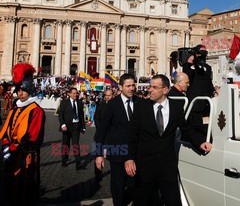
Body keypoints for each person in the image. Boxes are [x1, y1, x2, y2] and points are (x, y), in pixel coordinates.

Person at [124, 75, 212, 205]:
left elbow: (186, 130)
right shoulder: (141, 107)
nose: (150, 90)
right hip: (145, 167)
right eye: (150, 86)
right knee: (141, 201)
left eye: (154, 87)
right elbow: (132, 135)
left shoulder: (176, 107)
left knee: (174, 202)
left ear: (165, 90)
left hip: (167, 167)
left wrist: (200, 142)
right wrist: (129, 158)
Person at [0, 63, 46, 204]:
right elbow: (6, 129)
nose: (20, 93)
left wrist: (13, 148)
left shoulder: (36, 110)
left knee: (25, 188)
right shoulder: (15, 108)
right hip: (11, 153)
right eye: (18, 90)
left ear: (30, 91)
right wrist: (6, 144)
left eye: (23, 91)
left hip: (26, 155)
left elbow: (33, 135)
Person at [95, 73, 138, 206]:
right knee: (118, 186)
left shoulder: (141, 102)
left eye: (133, 85)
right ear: (120, 87)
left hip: (136, 151)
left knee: (135, 184)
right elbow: (102, 130)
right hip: (118, 151)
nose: (132, 88)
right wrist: (98, 154)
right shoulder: (112, 104)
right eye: (128, 86)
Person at [182, 45, 215, 136]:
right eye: (201, 52)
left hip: (206, 102)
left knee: (206, 125)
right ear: (196, 53)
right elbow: (188, 80)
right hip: (194, 102)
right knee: (193, 125)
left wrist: (214, 92)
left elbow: (209, 83)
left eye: (205, 52)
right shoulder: (188, 66)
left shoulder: (208, 67)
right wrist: (191, 64)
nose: (203, 54)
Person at [58, 87, 86, 169]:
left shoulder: (80, 103)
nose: (75, 95)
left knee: (76, 145)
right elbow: (60, 114)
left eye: (76, 93)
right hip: (66, 126)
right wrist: (63, 124)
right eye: (74, 93)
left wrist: (83, 127)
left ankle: (78, 162)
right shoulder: (64, 102)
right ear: (69, 94)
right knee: (65, 145)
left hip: (76, 126)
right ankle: (64, 160)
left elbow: (81, 116)